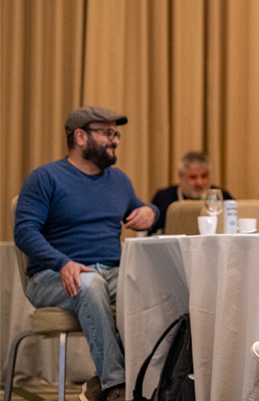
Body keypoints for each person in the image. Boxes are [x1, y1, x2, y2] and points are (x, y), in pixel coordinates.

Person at [14, 106, 159, 401]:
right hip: (52, 276)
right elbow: (24, 232)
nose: (115, 140)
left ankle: (144, 380)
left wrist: (151, 212)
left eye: (116, 134)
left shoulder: (119, 181)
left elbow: (143, 210)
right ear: (80, 137)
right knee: (89, 283)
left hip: (111, 272)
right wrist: (63, 262)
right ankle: (116, 387)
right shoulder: (46, 178)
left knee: (157, 286)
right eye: (107, 133)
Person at [148, 151, 234, 235]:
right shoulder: (164, 198)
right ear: (181, 175)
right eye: (193, 177)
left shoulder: (221, 196)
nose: (199, 182)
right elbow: (153, 233)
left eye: (204, 176)